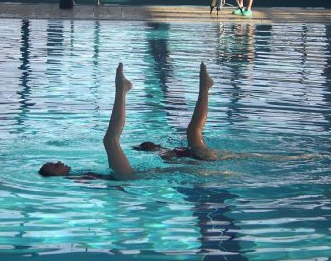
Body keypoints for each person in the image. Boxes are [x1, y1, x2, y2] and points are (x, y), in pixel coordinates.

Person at [39, 62, 220, 178]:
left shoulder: (74, 177)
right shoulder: (72, 180)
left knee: (193, 132)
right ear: (55, 176)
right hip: (126, 177)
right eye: (55, 166)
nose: (60, 162)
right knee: (110, 140)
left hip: (128, 176)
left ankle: (204, 88)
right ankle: (121, 90)